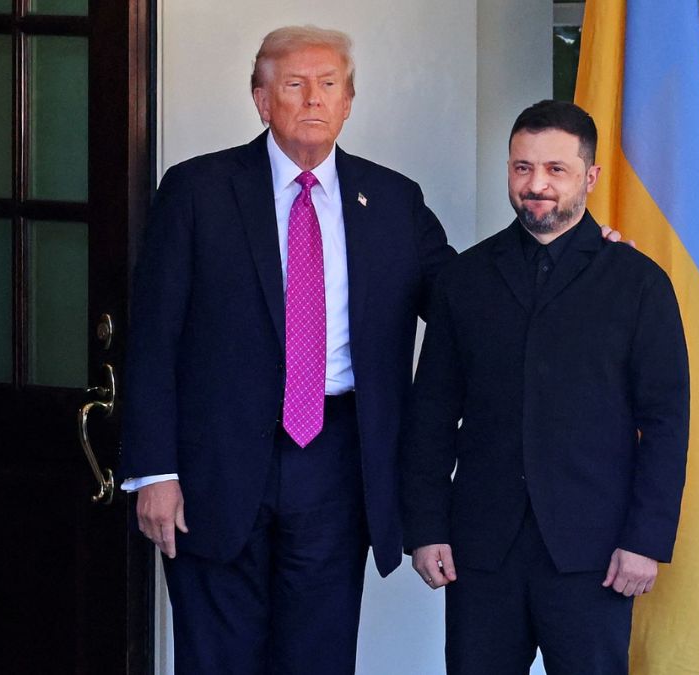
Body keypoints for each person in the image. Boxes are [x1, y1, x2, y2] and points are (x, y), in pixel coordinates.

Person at [119, 25, 457, 673]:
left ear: (349, 101)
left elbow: (462, 303)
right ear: (260, 98)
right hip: (212, 461)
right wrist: (154, 469)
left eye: (328, 84)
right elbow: (154, 336)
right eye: (294, 84)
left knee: (318, 655)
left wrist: (576, 255)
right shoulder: (197, 190)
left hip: (337, 460)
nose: (312, 98)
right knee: (217, 654)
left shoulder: (391, 200)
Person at [401, 100, 690, 674]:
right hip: (481, 552)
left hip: (597, 554)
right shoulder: (466, 279)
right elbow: (431, 412)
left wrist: (646, 540)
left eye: (555, 169)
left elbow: (665, 421)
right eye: (522, 167)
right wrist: (425, 528)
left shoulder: (639, 284)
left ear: (590, 175)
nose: (536, 185)